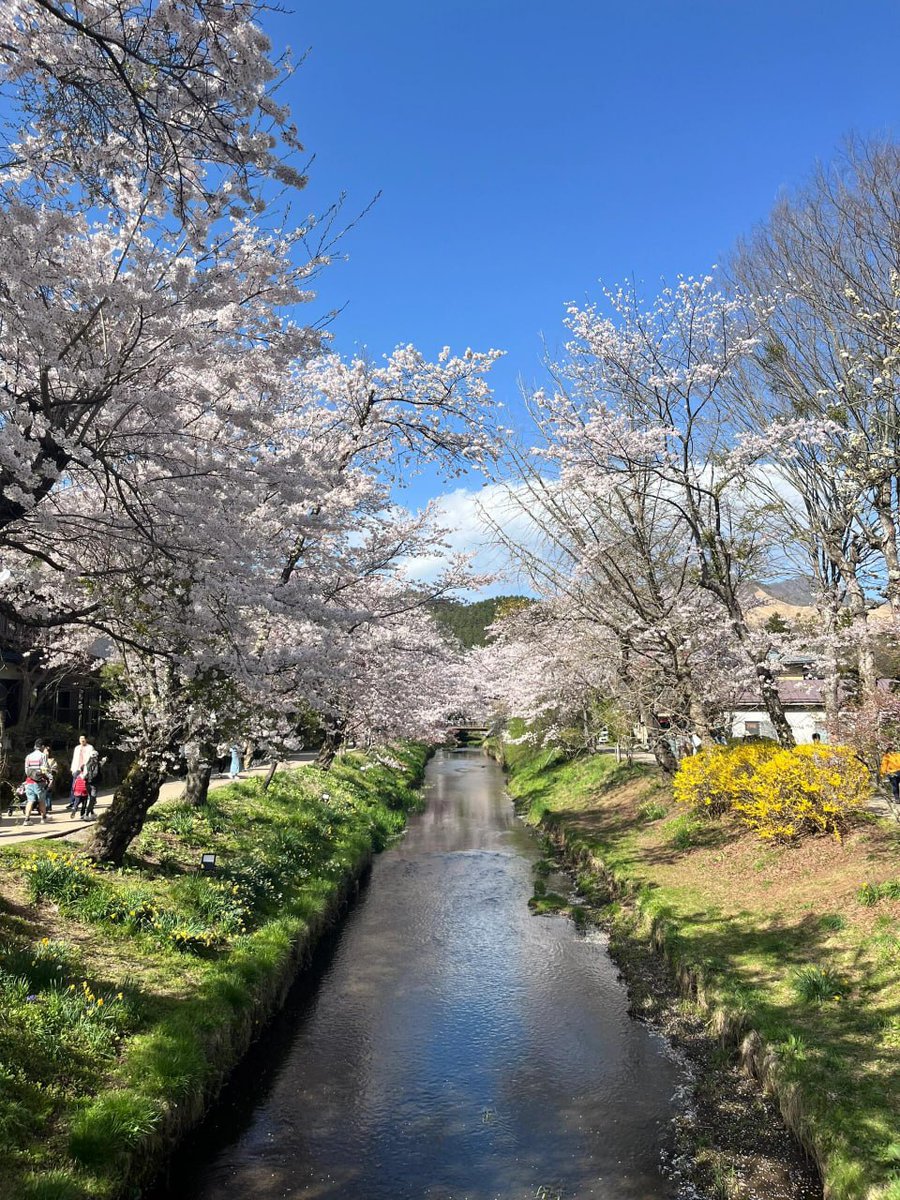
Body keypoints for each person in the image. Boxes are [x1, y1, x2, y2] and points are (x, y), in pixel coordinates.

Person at [23, 739, 50, 825]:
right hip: (39, 782)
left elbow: (26, 770)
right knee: (41, 800)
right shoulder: (43, 756)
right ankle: (43, 818)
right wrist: (48, 778)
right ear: (42, 746)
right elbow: (44, 769)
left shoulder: (28, 756)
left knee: (30, 800)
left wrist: (32, 775)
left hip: (29, 781)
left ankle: (27, 819)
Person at [69, 734, 96, 811]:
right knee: (74, 786)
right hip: (77, 769)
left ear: (86, 739)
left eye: (83, 738)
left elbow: (92, 758)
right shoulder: (77, 748)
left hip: (86, 769)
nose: (82, 740)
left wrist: (91, 769)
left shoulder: (90, 747)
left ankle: (88, 800)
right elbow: (74, 758)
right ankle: (73, 802)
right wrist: (72, 768)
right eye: (80, 738)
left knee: (86, 786)